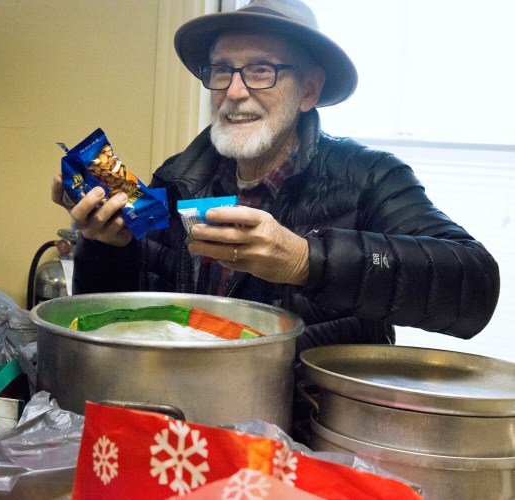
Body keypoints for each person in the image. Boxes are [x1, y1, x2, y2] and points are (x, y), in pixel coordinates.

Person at [51, 0, 500, 437]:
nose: (234, 91)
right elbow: (123, 317)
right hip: (186, 424)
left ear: (309, 90)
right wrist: (108, 246)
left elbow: (475, 287)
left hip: (311, 436)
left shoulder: (370, 177)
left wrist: (305, 260)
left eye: (262, 70)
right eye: (222, 70)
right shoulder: (178, 179)